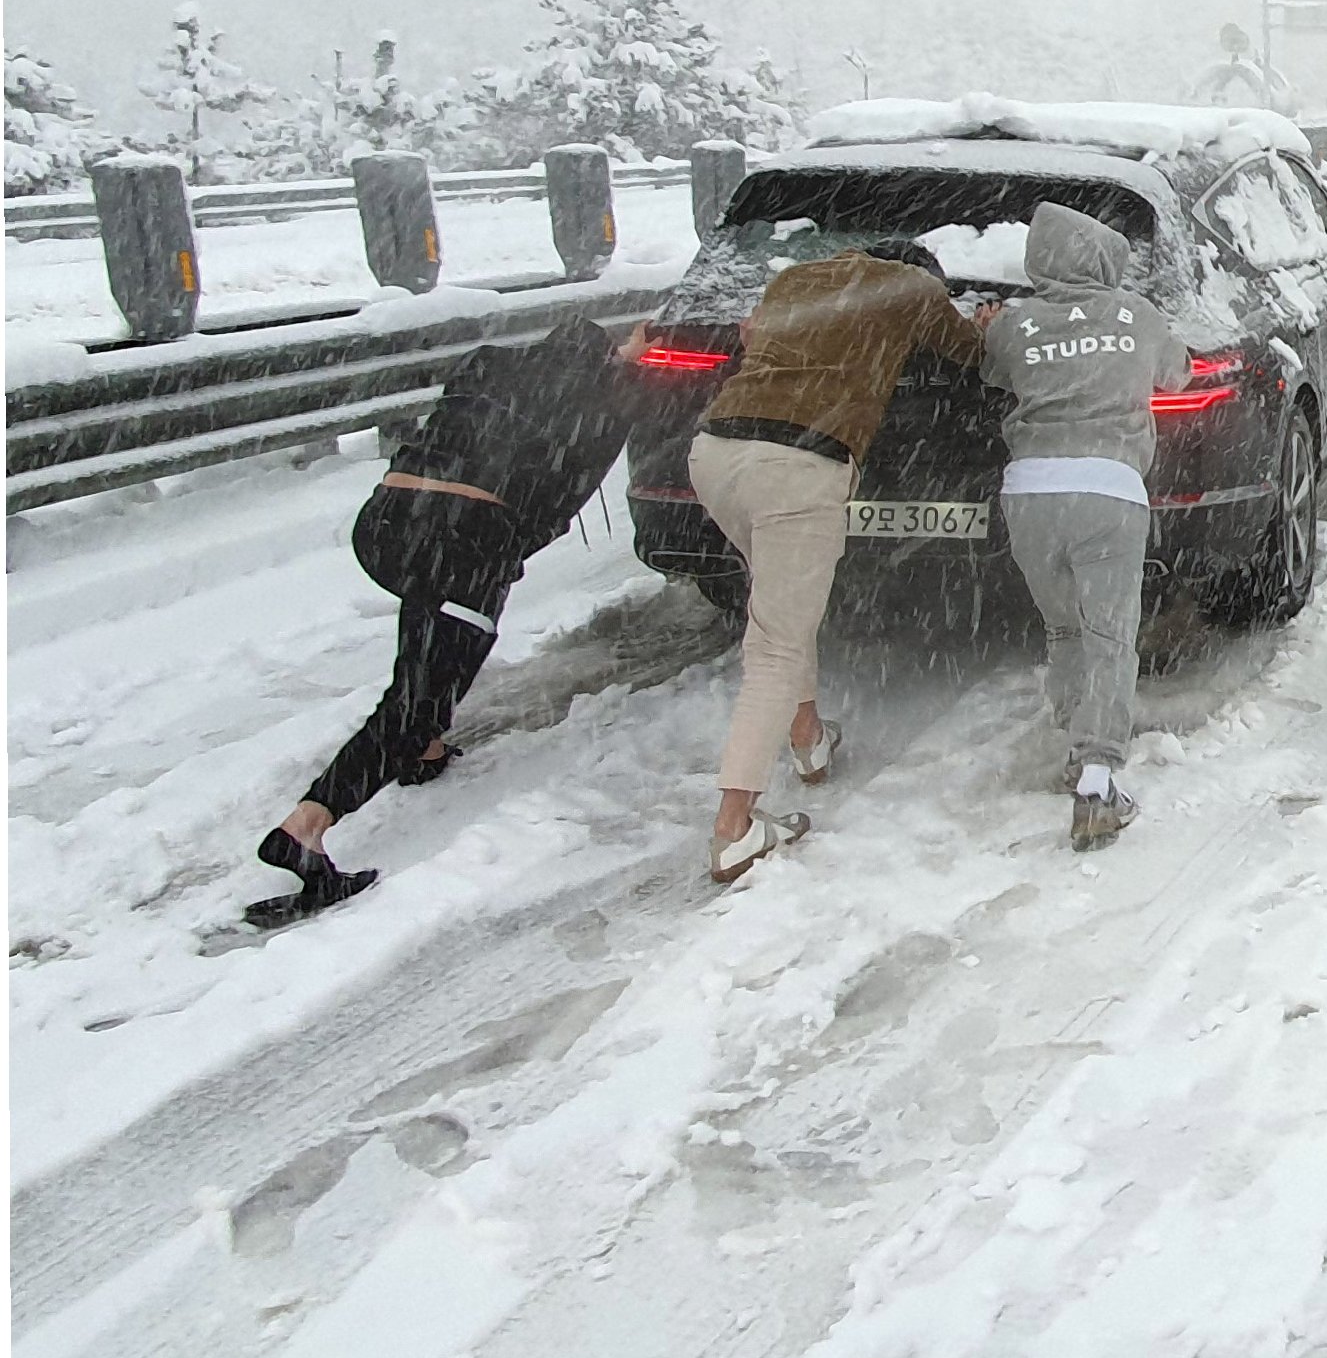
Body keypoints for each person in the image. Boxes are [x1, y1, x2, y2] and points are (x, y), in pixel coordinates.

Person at [249, 318, 654, 929]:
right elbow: (567, 486)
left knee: (427, 632)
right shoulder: (600, 396)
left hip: (386, 521)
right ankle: (305, 829)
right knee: (419, 698)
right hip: (462, 535)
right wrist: (627, 370)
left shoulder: (490, 364)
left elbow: (545, 387)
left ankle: (422, 750)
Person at [691, 236, 988, 882]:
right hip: (798, 464)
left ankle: (808, 739)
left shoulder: (796, 278)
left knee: (780, 607)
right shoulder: (913, 288)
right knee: (776, 644)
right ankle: (735, 828)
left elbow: (756, 336)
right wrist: (984, 323)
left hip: (716, 453)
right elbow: (970, 352)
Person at [983, 203, 1189, 851]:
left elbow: (992, 371)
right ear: (1103, 259)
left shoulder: (1014, 324)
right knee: (1110, 635)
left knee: (1065, 627)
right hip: (1108, 488)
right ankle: (1097, 782)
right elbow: (1178, 373)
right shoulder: (1138, 315)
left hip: (1029, 493)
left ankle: (1076, 749)